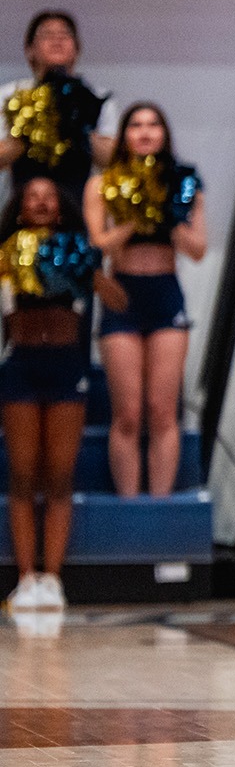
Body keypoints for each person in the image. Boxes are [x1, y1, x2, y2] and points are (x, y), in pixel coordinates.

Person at [0, 177, 123, 613]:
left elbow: (118, 301)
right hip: (21, 366)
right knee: (22, 475)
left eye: (48, 196)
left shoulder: (76, 253)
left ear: (60, 209)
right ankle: (25, 578)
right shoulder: (6, 253)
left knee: (58, 475)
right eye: (31, 196)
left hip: (66, 367)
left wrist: (88, 268)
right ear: (19, 209)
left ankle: (52, 579)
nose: (40, 202)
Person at [83, 102, 206, 497]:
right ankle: (129, 505)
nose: (145, 132)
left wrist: (167, 216)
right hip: (124, 297)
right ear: (124, 136)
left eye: (154, 124)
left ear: (165, 134)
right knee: (128, 413)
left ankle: (159, 506)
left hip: (165, 295)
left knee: (162, 410)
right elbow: (96, 244)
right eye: (135, 125)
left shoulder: (183, 182)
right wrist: (133, 217)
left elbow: (198, 249)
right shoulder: (103, 184)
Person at [0, 11, 121, 201]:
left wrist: (79, 125)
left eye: (65, 35)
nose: (57, 40)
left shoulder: (96, 98)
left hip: (79, 207)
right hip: (21, 206)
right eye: (47, 35)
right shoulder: (10, 95)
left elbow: (114, 161)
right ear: (30, 50)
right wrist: (29, 127)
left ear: (76, 50)